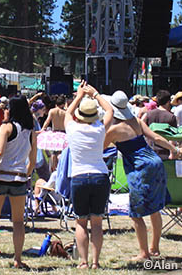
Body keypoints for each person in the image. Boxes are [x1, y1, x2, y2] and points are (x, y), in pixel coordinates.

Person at [104, 90, 177, 260]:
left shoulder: (113, 130)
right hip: (156, 162)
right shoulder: (136, 121)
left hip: (140, 168)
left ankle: (144, 253)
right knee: (155, 208)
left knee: (136, 214)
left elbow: (99, 149)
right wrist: (174, 149)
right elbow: (156, 138)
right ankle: (155, 248)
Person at [0, 95, 37, 269]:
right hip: (19, 178)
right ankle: (18, 259)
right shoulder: (30, 132)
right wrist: (26, 174)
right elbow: (33, 159)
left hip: (0, 176)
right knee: (18, 222)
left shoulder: (6, 127)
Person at [64, 82, 114, 270]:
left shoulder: (72, 128)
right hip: (100, 175)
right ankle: (95, 262)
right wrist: (95, 94)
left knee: (81, 222)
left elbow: (68, 113)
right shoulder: (100, 129)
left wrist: (78, 96)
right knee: (97, 223)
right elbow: (110, 110)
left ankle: (84, 261)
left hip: (79, 176)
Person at [142, 90, 177, 159]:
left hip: (150, 150)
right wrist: (172, 153)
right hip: (164, 151)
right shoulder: (171, 117)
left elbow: (141, 129)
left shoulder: (148, 114)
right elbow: (172, 137)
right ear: (168, 101)